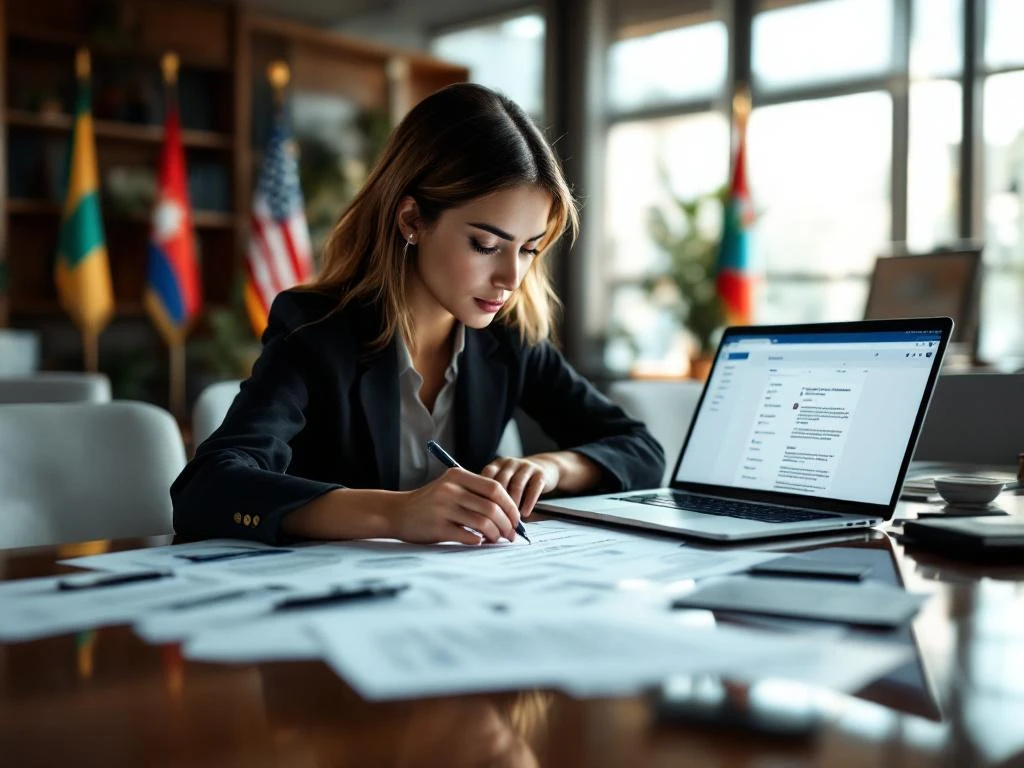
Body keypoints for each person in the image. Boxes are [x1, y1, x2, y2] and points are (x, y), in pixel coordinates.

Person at [171, 83, 664, 546]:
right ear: (412, 219)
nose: (511, 278)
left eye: (530, 249)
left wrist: (554, 468)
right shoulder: (317, 330)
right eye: (487, 245)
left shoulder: (509, 337)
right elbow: (207, 489)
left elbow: (641, 450)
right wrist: (395, 513)